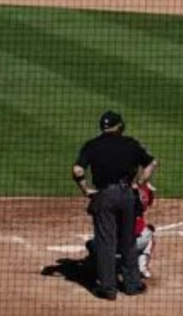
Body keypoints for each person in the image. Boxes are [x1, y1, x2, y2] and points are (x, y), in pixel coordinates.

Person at [72, 111, 157, 300]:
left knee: (105, 242)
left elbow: (77, 170)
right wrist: (140, 182)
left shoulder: (92, 145)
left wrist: (85, 190)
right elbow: (152, 163)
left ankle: (108, 289)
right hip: (127, 195)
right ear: (119, 126)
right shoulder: (130, 144)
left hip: (104, 195)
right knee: (127, 240)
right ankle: (132, 285)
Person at [86, 181, 157, 279]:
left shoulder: (107, 202)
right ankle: (141, 267)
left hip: (107, 245)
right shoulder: (135, 205)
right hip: (129, 246)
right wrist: (142, 188)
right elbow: (146, 200)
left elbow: (91, 210)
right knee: (150, 233)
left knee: (91, 242)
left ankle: (98, 268)